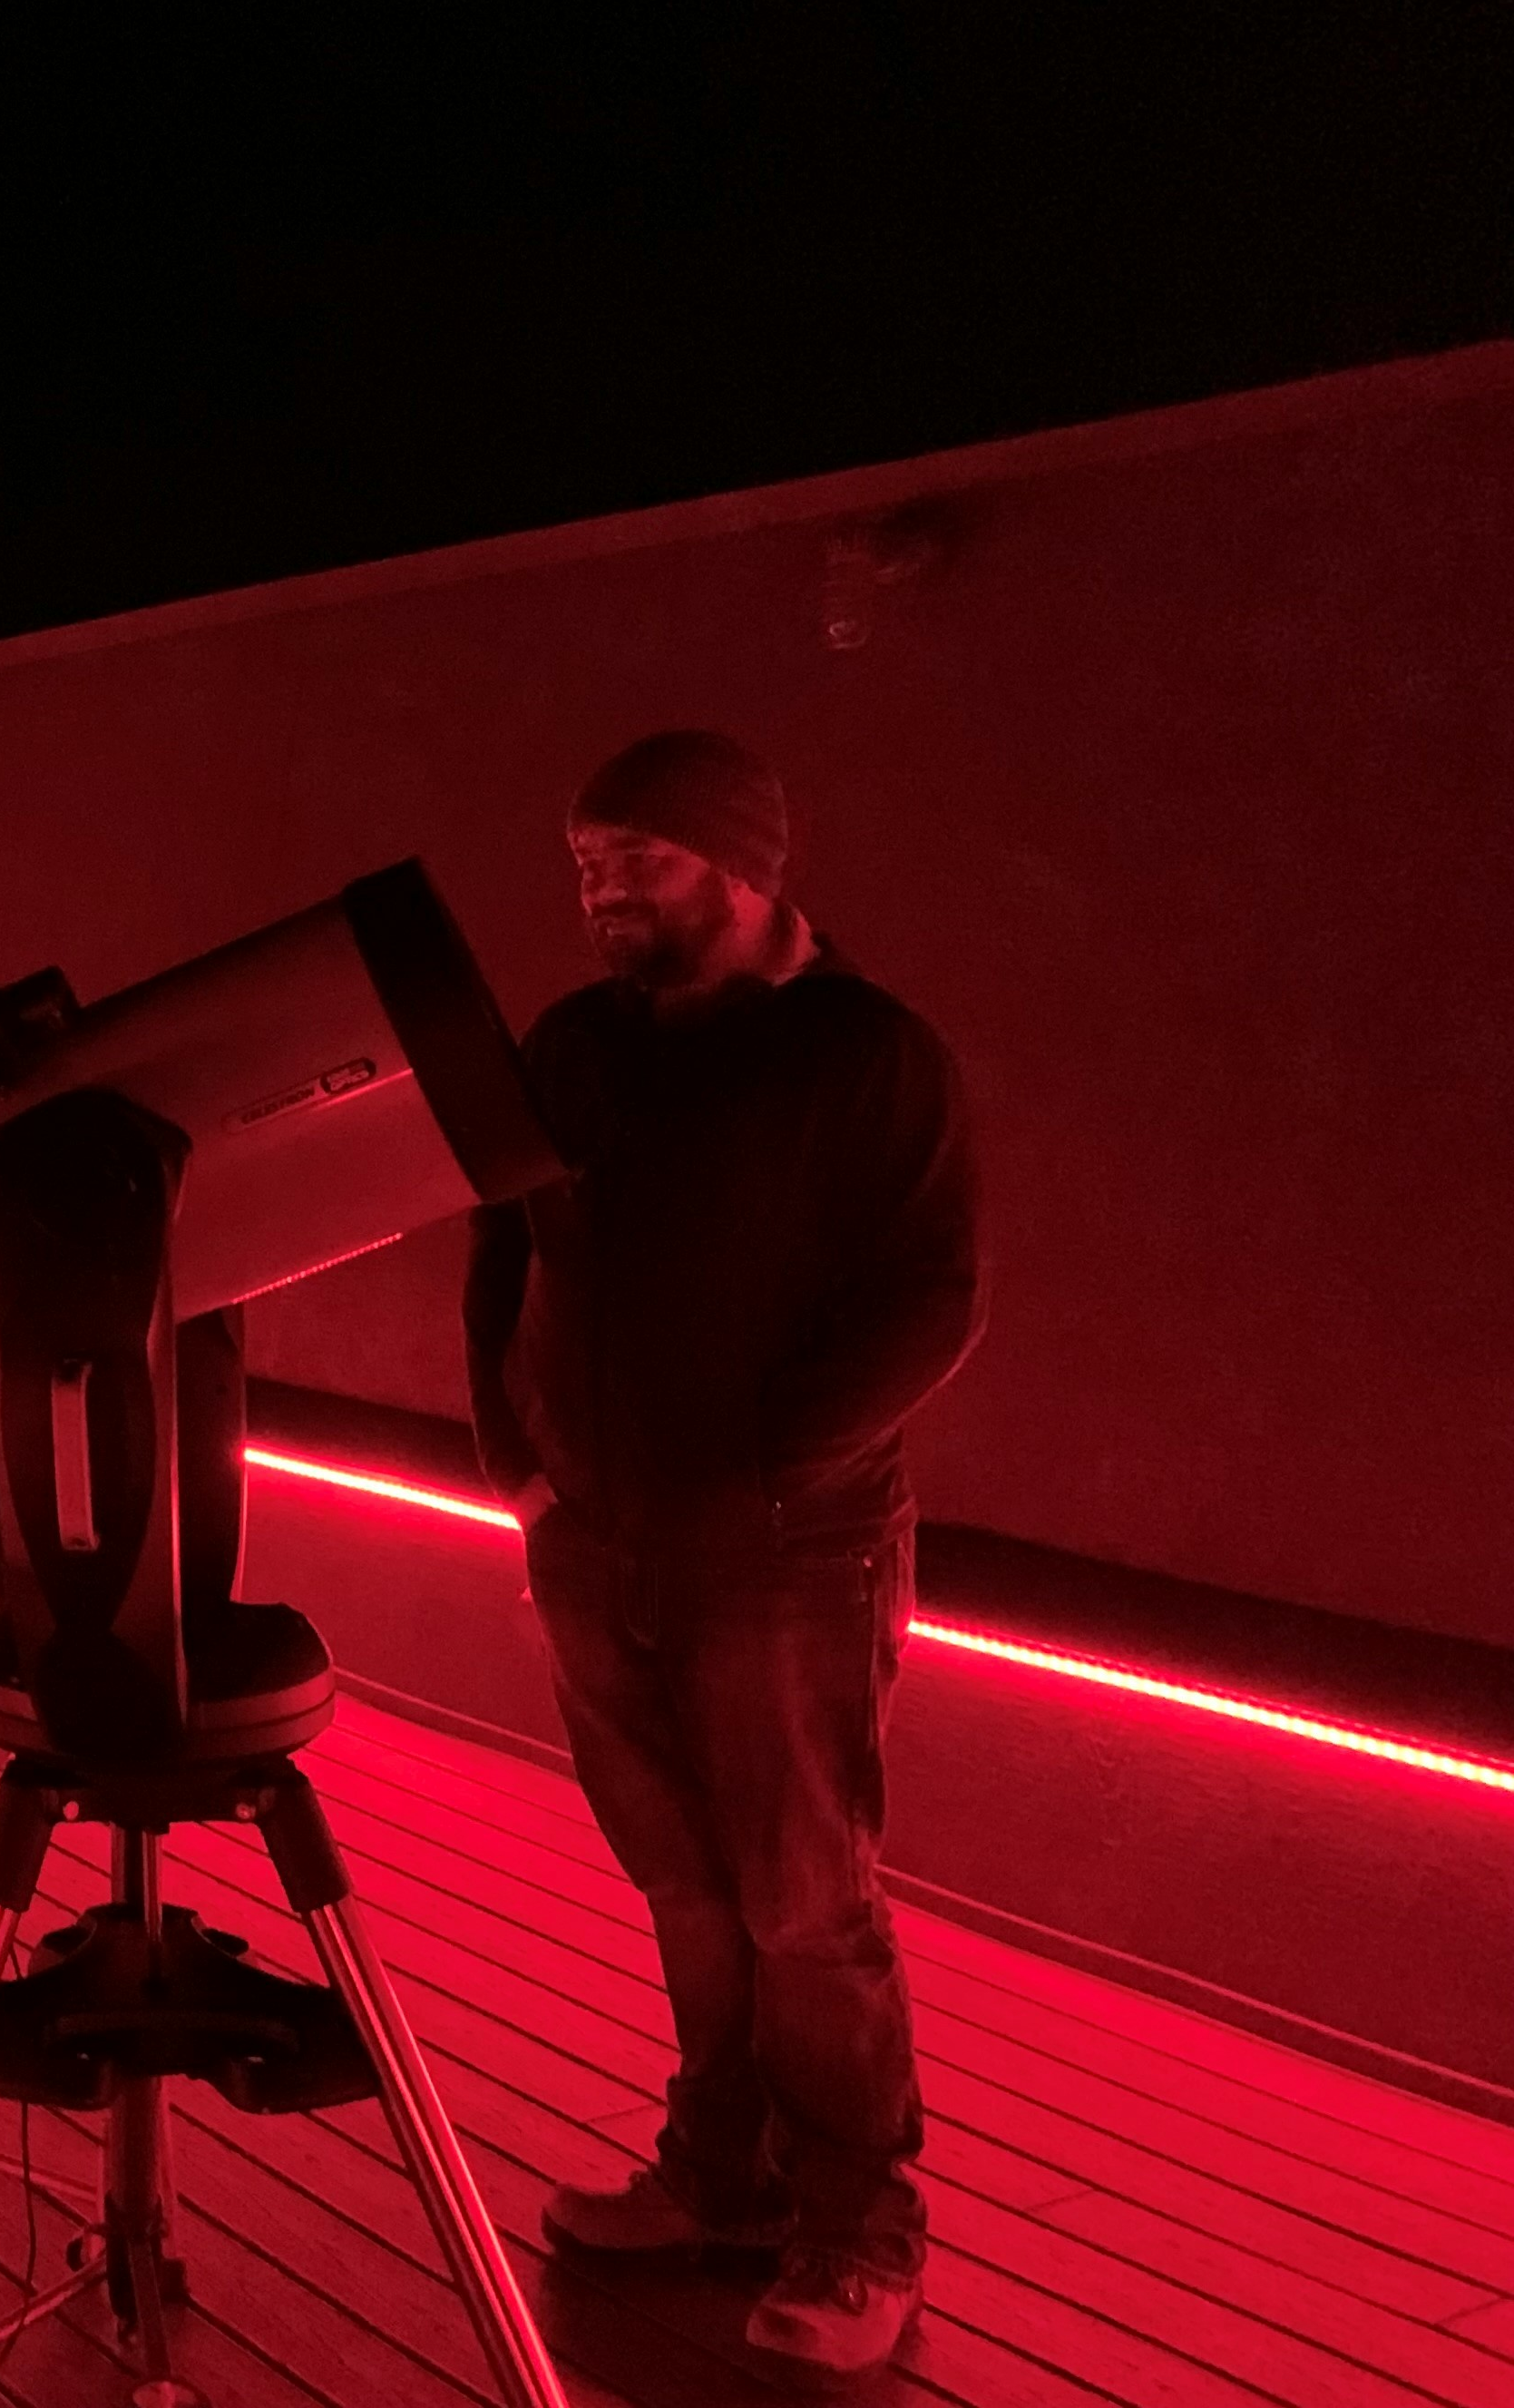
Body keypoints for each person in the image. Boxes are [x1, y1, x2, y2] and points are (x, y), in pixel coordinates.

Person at [464, 729, 982, 2384]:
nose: (600, 887)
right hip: (593, 1537)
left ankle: (858, 2223)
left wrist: (768, 1474)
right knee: (681, 1879)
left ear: (748, 865)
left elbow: (930, 1291)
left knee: (802, 1898)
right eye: (584, 861)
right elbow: (500, 1244)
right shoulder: (572, 1046)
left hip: (781, 1552)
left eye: (636, 856)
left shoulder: (864, 1053)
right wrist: (519, 1464)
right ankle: (719, 2178)